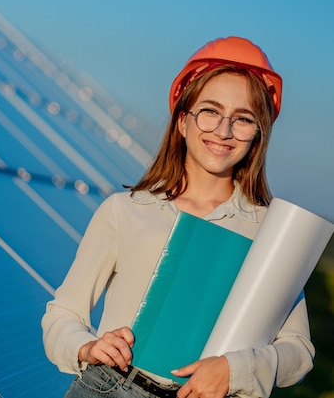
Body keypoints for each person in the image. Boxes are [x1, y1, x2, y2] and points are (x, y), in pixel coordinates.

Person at [41, 36, 315, 398]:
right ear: (183, 121)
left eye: (243, 119)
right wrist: (86, 346)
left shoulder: (272, 234)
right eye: (210, 111)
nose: (223, 130)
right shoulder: (125, 211)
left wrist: (237, 370)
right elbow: (62, 314)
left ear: (257, 136)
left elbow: (298, 351)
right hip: (110, 387)